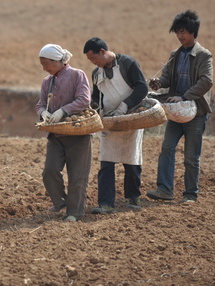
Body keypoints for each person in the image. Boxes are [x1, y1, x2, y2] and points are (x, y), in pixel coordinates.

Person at [147, 10, 213, 203]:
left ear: (193, 32)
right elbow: (167, 78)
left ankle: (190, 194)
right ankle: (164, 190)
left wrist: (184, 96)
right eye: (177, 32)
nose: (180, 36)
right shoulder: (174, 54)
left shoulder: (204, 55)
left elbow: (207, 81)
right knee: (167, 149)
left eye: (183, 31)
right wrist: (158, 83)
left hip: (195, 112)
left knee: (191, 156)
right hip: (176, 112)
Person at [83, 37, 148, 214]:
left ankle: (133, 197)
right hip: (109, 121)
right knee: (106, 161)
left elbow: (142, 88)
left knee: (131, 160)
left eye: (94, 58)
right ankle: (106, 203)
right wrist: (95, 107)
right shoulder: (97, 73)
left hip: (131, 117)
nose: (93, 62)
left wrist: (125, 105)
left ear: (102, 52)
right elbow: (96, 95)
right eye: (90, 60)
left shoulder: (128, 64)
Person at [36, 43, 92, 222]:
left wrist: (63, 111)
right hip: (56, 135)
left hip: (77, 133)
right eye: (42, 63)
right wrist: (43, 112)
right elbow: (40, 103)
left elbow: (84, 99)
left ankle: (75, 212)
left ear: (56, 61)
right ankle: (61, 204)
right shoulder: (47, 81)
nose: (43, 67)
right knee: (49, 171)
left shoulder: (77, 75)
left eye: (45, 63)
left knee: (77, 174)